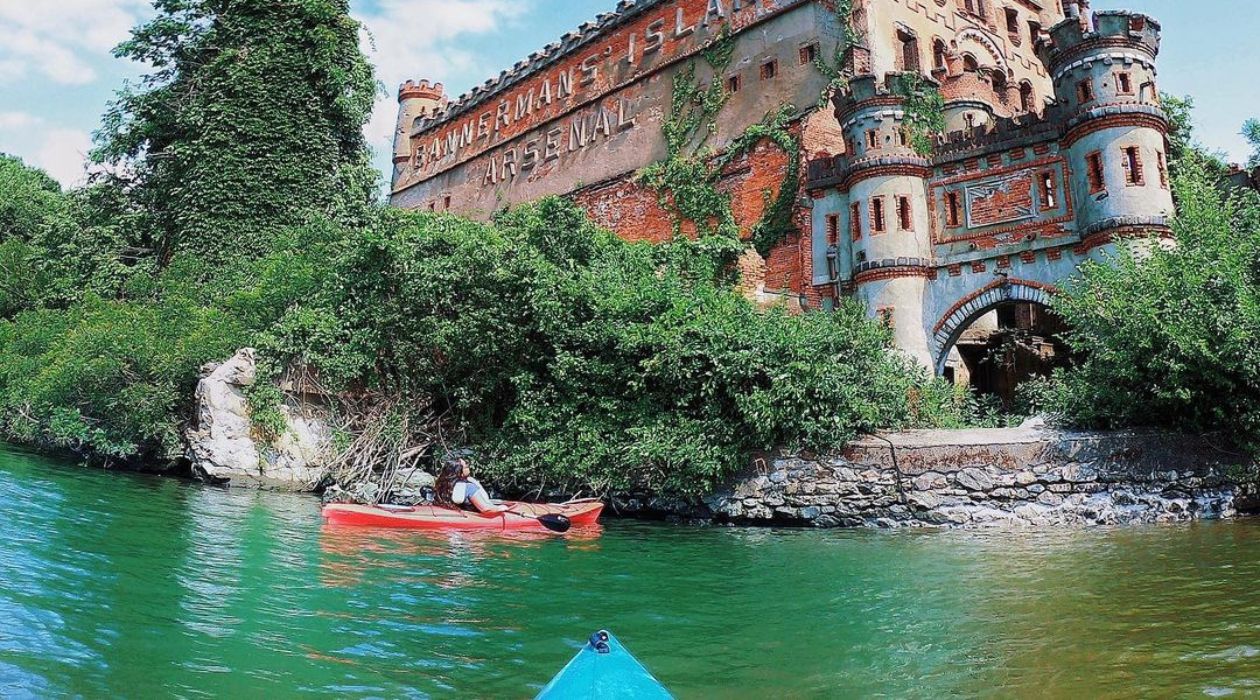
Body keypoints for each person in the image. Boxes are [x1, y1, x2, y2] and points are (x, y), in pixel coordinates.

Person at [434, 458, 509, 514]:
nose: (469, 468)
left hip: (448, 514)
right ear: (459, 472)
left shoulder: (442, 484)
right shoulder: (469, 488)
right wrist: (500, 508)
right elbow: (485, 509)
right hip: (471, 518)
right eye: (466, 467)